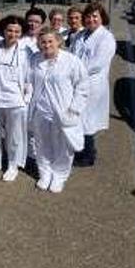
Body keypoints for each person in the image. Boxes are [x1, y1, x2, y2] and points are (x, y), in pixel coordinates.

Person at [28, 29, 89, 193]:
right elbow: (29, 83)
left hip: (63, 112)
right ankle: (45, 173)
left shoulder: (71, 61)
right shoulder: (35, 59)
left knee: (63, 147)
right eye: (43, 42)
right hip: (40, 111)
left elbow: (82, 87)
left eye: (50, 41)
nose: (46, 45)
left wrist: (75, 109)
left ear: (58, 42)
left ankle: (60, 176)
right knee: (41, 144)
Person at [0, 15, 31, 181]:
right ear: (3, 30)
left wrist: (27, 99)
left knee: (14, 135)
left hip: (15, 100)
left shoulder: (26, 52)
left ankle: (12, 164)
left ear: (21, 33)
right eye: (9, 30)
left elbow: (30, 78)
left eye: (17, 31)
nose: (13, 34)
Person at [69, 3, 116, 167]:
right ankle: (79, 150)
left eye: (95, 16)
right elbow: (72, 54)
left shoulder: (106, 38)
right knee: (78, 117)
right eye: (88, 16)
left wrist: (76, 72)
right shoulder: (81, 34)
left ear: (102, 17)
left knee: (87, 120)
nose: (91, 19)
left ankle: (87, 156)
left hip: (92, 85)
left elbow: (97, 63)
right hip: (76, 83)